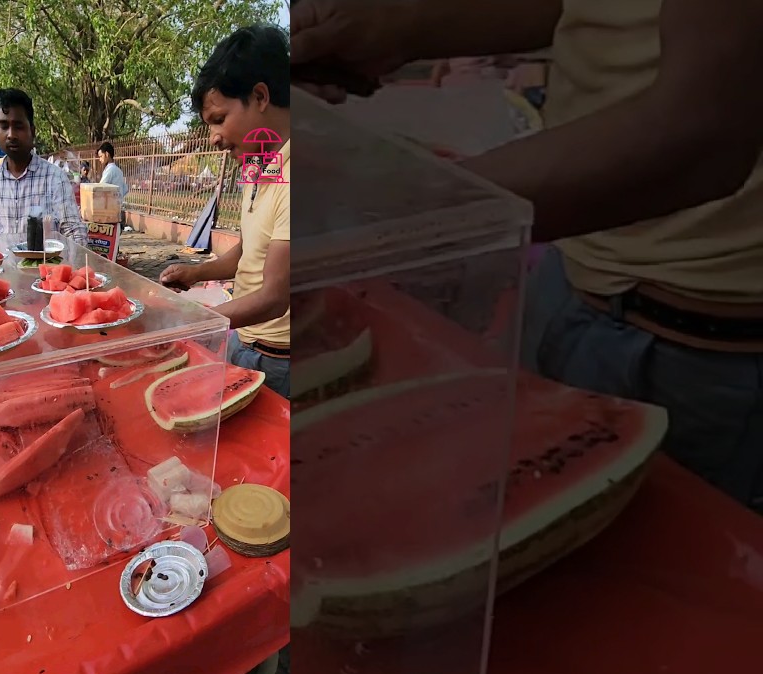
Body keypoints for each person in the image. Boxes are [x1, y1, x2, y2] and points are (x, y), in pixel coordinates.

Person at [293, 0, 763, 510]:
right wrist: (397, 27)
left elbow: (704, 131)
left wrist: (408, 209)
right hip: (573, 285)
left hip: (709, 349)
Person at [159, 25, 291, 398]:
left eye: (219, 119)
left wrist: (191, 321)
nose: (214, 138)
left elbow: (274, 297)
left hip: (280, 363)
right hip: (243, 342)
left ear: (260, 96)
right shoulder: (261, 165)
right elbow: (250, 250)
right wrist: (195, 273)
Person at [0, 88, 88, 244]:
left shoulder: (55, 178)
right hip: (4, 260)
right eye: (4, 126)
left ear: (32, 131)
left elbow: (74, 232)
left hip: (47, 260)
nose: (11, 135)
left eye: (18, 126)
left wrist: (76, 257)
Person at [97, 142, 130, 224]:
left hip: (109, 210)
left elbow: (99, 188)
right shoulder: (118, 170)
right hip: (117, 208)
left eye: (101, 156)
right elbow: (125, 189)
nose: (100, 159)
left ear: (107, 154)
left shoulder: (110, 170)